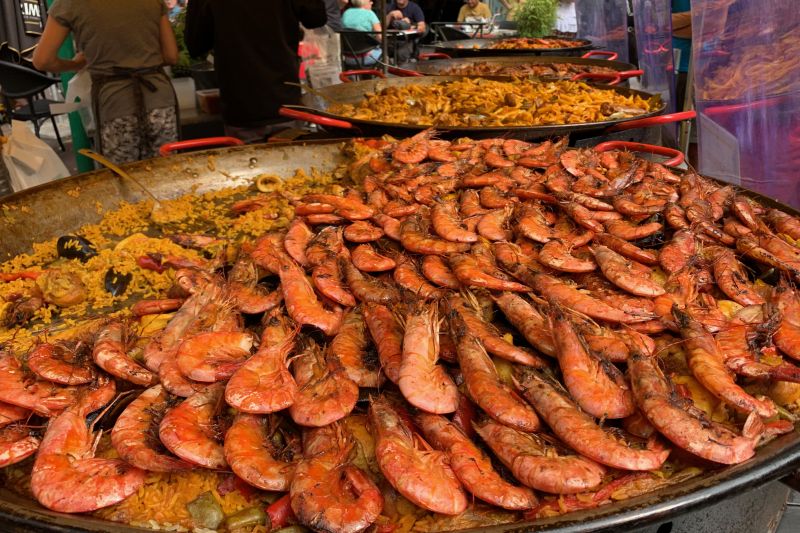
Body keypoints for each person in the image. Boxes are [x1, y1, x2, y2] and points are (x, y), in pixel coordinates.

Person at [32, 0, 179, 164]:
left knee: (123, 180)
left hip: (115, 105)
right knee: (167, 175)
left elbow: (42, 61)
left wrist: (75, 64)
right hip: (160, 101)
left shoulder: (69, 3)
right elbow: (171, 55)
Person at [185, 1, 327, 143]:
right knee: (291, 162)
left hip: (241, 104)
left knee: (248, 162)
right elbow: (316, 17)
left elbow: (195, 44)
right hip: (284, 99)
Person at [341, 0, 382, 66]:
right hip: (367, 57)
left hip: (348, 58)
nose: (372, 2)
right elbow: (380, 37)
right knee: (385, 55)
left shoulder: (346, 13)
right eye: (370, 0)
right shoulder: (370, 13)